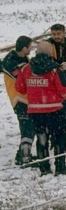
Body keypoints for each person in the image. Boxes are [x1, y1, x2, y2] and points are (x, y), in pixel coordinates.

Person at [16, 41, 66, 176]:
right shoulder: (55, 69)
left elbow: (19, 88)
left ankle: (45, 168)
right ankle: (60, 167)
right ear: (50, 53)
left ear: (36, 52)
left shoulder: (26, 69)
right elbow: (63, 90)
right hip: (55, 109)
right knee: (60, 138)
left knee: (41, 138)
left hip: (35, 110)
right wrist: (61, 97)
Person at [2, 36, 45, 166]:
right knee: (27, 128)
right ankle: (24, 158)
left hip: (26, 98)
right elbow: (22, 77)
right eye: (30, 47)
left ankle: (22, 153)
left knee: (29, 127)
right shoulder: (10, 61)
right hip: (18, 99)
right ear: (25, 47)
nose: (31, 49)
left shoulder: (22, 58)